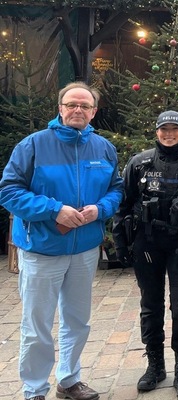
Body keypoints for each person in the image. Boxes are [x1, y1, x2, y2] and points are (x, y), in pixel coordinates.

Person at [0, 82, 123, 400]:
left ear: (94, 112)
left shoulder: (104, 148)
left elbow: (117, 190)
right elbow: (9, 192)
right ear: (60, 108)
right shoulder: (33, 146)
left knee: (77, 320)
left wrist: (100, 209)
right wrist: (54, 210)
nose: (78, 110)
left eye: (85, 106)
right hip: (42, 249)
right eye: (72, 104)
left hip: (84, 250)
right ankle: (34, 389)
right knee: (37, 324)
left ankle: (69, 380)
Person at [112, 111, 178, 397]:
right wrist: (121, 243)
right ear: (156, 131)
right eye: (164, 129)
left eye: (175, 129)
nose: (169, 134)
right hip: (148, 245)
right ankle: (155, 364)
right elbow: (123, 205)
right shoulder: (139, 163)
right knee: (151, 305)